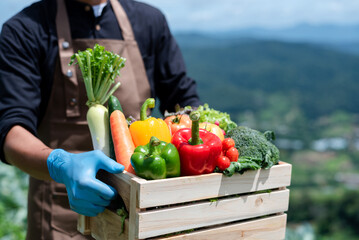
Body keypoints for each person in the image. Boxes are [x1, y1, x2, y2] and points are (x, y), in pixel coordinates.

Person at [0, 0, 201, 239]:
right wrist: (60, 165)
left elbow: (183, 102)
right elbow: (11, 131)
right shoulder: (24, 29)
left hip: (141, 211)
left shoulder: (149, 21)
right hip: (61, 213)